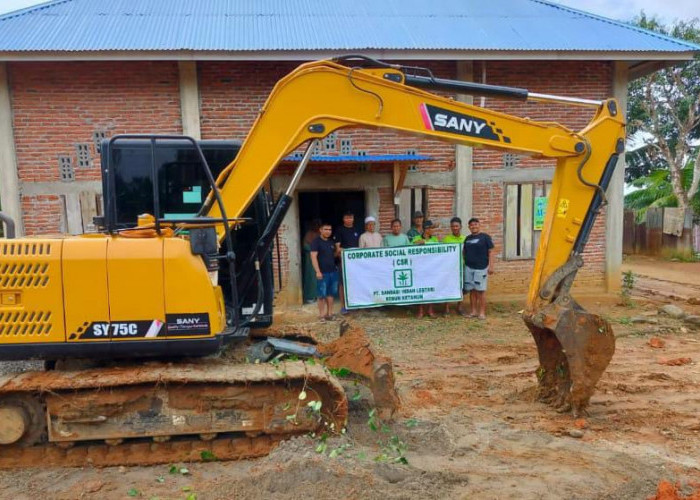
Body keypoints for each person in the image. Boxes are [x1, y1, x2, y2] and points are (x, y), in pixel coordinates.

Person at [463, 217, 494, 320]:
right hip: (469, 267)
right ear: (469, 227)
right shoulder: (467, 239)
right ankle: (473, 311)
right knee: (471, 290)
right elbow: (464, 253)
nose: (473, 226)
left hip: (481, 268)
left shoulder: (485, 237)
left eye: (475, 224)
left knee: (480, 291)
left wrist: (491, 266)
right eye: (471, 225)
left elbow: (491, 252)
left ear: (479, 225)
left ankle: (482, 313)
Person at [310, 223, 339, 321]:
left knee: (331, 294)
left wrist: (338, 251)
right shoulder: (316, 242)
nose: (328, 231)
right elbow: (313, 257)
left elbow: (333, 256)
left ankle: (329, 314)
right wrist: (318, 271)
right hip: (322, 273)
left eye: (330, 229)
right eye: (326, 229)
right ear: (320, 230)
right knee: (321, 295)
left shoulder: (331, 242)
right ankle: (321, 315)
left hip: (333, 272)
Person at [411, 220, 439, 318]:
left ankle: (430, 310)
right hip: (420, 267)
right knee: (420, 288)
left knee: (431, 288)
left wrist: (426, 243)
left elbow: (438, 251)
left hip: (432, 267)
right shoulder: (416, 238)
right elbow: (410, 248)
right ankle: (421, 310)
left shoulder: (435, 239)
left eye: (432, 228)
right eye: (430, 228)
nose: (432, 230)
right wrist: (419, 243)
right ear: (425, 229)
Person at [334, 211, 360, 314]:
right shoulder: (339, 230)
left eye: (351, 217)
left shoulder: (357, 229)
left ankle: (354, 303)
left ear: (353, 219)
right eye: (347, 218)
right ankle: (343, 306)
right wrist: (348, 252)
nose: (349, 219)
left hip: (356, 263)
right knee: (342, 283)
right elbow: (338, 248)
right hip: (343, 261)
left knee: (355, 282)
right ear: (343, 219)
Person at [442, 217, 468, 316]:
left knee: (461, 287)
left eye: (456, 226)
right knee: (448, 286)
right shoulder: (447, 239)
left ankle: (460, 307)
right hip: (450, 267)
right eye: (453, 226)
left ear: (460, 227)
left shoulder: (465, 239)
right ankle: (446, 308)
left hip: (462, 266)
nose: (455, 228)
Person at [302, 219, 321, 304]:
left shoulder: (320, 234)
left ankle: (319, 296)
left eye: (318, 224)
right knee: (311, 278)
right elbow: (305, 246)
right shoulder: (309, 234)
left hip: (320, 259)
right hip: (310, 260)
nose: (316, 226)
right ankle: (310, 297)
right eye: (315, 224)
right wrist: (314, 250)